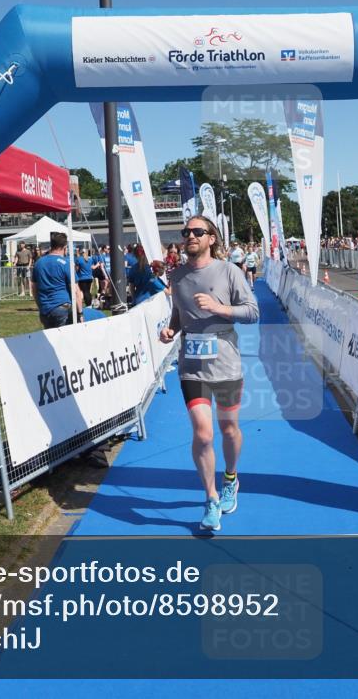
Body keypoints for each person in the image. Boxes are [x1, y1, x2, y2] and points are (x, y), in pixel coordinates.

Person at [159, 216, 259, 532]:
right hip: (192, 365)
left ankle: (230, 477)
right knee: (203, 433)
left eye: (197, 232)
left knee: (229, 430)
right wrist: (171, 329)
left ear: (211, 238)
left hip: (226, 363)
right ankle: (211, 499)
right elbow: (179, 312)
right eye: (186, 232)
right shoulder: (177, 275)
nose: (190, 235)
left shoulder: (229, 271)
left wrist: (221, 309)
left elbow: (253, 312)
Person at [31, 232, 83, 328]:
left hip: (45, 309)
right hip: (62, 307)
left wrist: (40, 306)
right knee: (65, 340)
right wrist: (80, 313)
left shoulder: (38, 263)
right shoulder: (66, 263)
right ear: (65, 247)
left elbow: (34, 288)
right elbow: (75, 291)